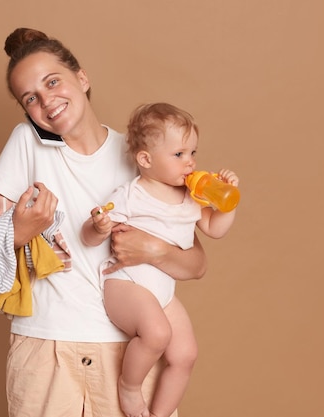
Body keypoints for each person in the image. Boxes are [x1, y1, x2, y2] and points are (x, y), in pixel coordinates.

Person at [0, 29, 207, 417]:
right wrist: (22, 230)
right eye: (30, 98)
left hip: (126, 347)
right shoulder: (25, 144)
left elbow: (196, 264)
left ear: (82, 79)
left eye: (53, 82)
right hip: (46, 348)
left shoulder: (141, 155)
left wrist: (154, 249)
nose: (46, 100)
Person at [81, 102, 239, 417]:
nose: (190, 163)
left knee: (186, 353)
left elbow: (214, 229)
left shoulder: (193, 199)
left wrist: (228, 203)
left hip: (161, 290)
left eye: (193, 153)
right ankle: (129, 386)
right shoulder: (131, 195)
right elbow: (88, 236)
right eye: (179, 155)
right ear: (146, 159)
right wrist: (98, 226)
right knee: (157, 334)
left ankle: (159, 414)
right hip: (126, 284)